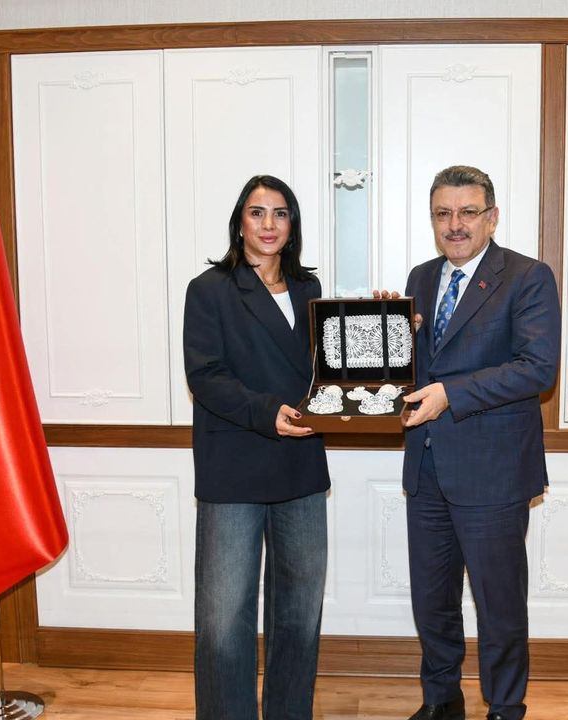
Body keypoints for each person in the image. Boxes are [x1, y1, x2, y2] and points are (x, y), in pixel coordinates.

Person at [399, 165, 561, 720]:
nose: (455, 225)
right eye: (443, 213)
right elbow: (417, 368)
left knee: (499, 607)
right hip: (426, 469)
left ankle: (505, 708)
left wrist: (451, 394)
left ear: (492, 217)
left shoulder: (527, 276)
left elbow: (536, 368)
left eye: (468, 212)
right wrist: (389, 332)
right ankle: (441, 700)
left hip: (493, 472)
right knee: (432, 601)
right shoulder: (421, 278)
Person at [182, 175, 329, 720]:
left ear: (293, 225)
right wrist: (267, 412)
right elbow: (206, 377)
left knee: (299, 613)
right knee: (224, 619)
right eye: (257, 212)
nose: (269, 224)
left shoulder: (310, 290)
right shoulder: (210, 289)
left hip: (300, 466)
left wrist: (391, 328)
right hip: (234, 468)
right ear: (239, 222)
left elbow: (329, 369)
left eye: (280, 213)